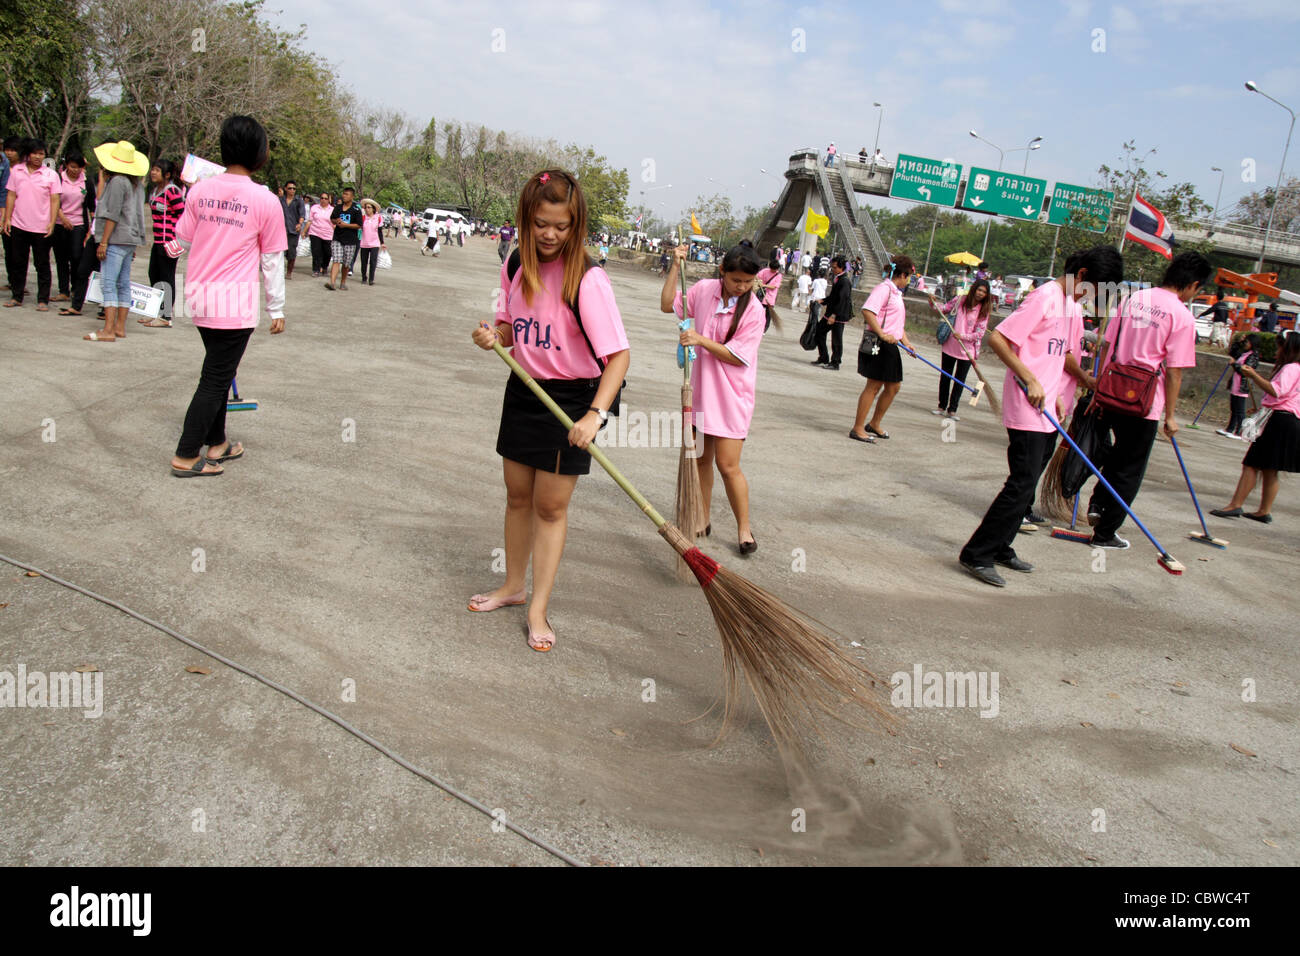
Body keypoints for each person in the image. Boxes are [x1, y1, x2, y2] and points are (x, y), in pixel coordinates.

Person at [468, 169, 630, 652]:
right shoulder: (515, 262)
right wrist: (491, 338)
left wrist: (595, 416)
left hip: (572, 402)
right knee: (517, 496)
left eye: (562, 225)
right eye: (542, 223)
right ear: (526, 219)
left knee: (550, 506)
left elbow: (618, 356)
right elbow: (507, 328)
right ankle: (512, 586)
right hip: (523, 390)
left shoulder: (588, 277)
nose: (551, 235)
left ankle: (538, 606)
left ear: (575, 224)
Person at [957, 245, 1123, 586]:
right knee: (1020, 484)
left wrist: (1074, 386)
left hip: (1050, 409)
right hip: (1026, 404)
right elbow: (999, 339)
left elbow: (1061, 356)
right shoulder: (1044, 297)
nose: (1095, 297)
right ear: (1083, 276)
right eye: (1095, 288)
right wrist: (1031, 379)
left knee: (1028, 484)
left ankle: (1002, 546)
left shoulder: (1071, 308)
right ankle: (977, 553)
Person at [169, 115, 287, 477]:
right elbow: (271, 260)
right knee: (215, 378)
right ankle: (187, 455)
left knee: (219, 371)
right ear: (260, 155)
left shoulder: (200, 190)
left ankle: (217, 442)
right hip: (233, 303)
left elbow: (181, 242)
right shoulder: (265, 200)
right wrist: (276, 307)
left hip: (199, 297)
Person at [1085, 251, 1208, 549]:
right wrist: (1170, 416)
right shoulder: (1182, 316)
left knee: (1113, 456)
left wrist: (1097, 386)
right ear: (1192, 285)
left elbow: (1106, 345)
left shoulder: (1132, 299)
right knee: (1129, 468)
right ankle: (1104, 534)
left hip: (1112, 390)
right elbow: (1175, 373)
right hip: (1143, 401)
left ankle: (1098, 504)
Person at [661, 239, 765, 554]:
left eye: (748, 282)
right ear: (722, 272)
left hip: (733, 397)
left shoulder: (755, 311)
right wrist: (675, 266)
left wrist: (701, 340)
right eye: (736, 281)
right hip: (701, 392)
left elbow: (737, 357)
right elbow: (668, 304)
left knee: (728, 465)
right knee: (702, 460)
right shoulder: (704, 290)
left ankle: (744, 529)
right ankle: (701, 519)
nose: (742, 287)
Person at [1211, 329, 1300, 523]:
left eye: (1280, 346)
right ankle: (1264, 510)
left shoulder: (1291, 368)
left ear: (1288, 348)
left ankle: (1235, 505)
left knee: (1251, 464)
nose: (1277, 350)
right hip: (1287, 420)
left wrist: (1253, 375)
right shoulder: (1297, 368)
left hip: (1280, 420)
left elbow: (1277, 391)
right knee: (1270, 469)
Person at [82, 141, 147, 341]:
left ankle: (109, 330)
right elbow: (135, 214)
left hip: (116, 239)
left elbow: (113, 214)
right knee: (123, 284)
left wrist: (103, 242)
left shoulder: (118, 182)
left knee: (109, 284)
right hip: (128, 239)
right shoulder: (135, 183)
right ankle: (119, 327)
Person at [850, 255, 917, 442]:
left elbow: (897, 324)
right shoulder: (884, 289)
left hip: (892, 345)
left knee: (893, 387)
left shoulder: (896, 293)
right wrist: (881, 333)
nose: (910, 280)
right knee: (873, 386)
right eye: (909, 276)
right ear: (902, 274)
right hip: (881, 344)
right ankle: (858, 428)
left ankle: (874, 423)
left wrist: (907, 343)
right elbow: (868, 311)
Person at [2, 138, 62, 311]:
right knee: (18, 262)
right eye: (35, 153)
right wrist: (7, 218)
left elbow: (55, 200)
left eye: (41, 153)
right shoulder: (16, 171)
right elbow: (11, 195)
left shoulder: (50, 175)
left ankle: (43, 300)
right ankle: (16, 296)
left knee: (42, 263)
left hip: (41, 227)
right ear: (27, 154)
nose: (38, 157)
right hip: (19, 224)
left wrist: (52, 222)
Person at [932, 279, 993, 420]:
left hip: (967, 350)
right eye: (979, 290)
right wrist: (933, 302)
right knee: (945, 377)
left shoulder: (983, 311)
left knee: (960, 380)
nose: (980, 293)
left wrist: (963, 336)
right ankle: (941, 406)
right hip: (950, 346)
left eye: (984, 292)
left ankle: (952, 410)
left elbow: (979, 334)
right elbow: (944, 309)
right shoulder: (960, 300)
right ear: (974, 289)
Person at [140, 158, 185, 328]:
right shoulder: (155, 190)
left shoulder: (171, 191)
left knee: (166, 277)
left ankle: (166, 316)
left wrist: (177, 235)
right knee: (154, 274)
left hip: (169, 242)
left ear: (166, 174)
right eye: (153, 169)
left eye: (157, 170)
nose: (153, 172)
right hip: (157, 240)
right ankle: (154, 312)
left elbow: (183, 214)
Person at [51, 151, 88, 303]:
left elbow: (91, 204)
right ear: (66, 165)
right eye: (72, 166)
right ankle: (63, 290)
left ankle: (76, 288)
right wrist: (62, 217)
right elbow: (53, 200)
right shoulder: (59, 179)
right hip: (60, 222)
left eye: (78, 167)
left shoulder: (86, 181)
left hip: (78, 224)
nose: (75, 170)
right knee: (61, 258)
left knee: (76, 257)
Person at [1219, 334, 1261, 438]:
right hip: (1236, 384)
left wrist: (1234, 364)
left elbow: (1245, 371)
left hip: (1243, 386)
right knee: (1233, 408)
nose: (1245, 344)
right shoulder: (1244, 353)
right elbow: (1233, 351)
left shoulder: (1253, 355)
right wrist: (1239, 341)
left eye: (1247, 342)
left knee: (1240, 410)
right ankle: (1230, 428)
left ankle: (1240, 431)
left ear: (1252, 343)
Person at [816, 255, 853, 370]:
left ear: (842, 268)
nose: (833, 269)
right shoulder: (838, 279)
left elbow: (842, 299)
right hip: (831, 312)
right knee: (819, 331)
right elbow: (833, 297)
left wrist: (834, 315)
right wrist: (823, 301)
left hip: (838, 314)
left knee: (836, 339)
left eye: (835, 267)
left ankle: (835, 362)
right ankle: (823, 357)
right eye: (832, 267)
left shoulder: (845, 281)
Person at [326, 186, 361, 290]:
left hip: (350, 240)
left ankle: (343, 282)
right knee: (336, 260)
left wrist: (346, 225)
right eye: (344, 194)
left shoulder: (356, 209)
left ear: (352, 196)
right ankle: (332, 283)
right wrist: (336, 221)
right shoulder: (338, 207)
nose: (344, 196)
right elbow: (332, 219)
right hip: (337, 238)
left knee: (346, 263)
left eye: (347, 194)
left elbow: (359, 225)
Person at [279, 179, 306, 279]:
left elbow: (302, 214)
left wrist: (300, 223)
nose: (292, 190)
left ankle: (289, 272)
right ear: (286, 189)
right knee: (278, 251)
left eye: (294, 188)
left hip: (293, 230)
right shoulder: (280, 200)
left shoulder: (299, 201)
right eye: (290, 188)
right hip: (280, 229)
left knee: (291, 252)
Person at [357, 198, 385, 286]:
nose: (367, 209)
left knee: (373, 261)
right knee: (364, 261)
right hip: (364, 242)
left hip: (375, 243)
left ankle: (371, 279)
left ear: (373, 209)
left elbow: (380, 231)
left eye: (369, 207)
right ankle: (364, 277)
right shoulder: (363, 218)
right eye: (366, 208)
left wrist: (382, 243)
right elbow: (358, 228)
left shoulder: (378, 218)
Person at [306, 191, 333, 277]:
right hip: (315, 232)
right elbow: (310, 220)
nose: (324, 200)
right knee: (316, 252)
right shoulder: (314, 208)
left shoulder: (332, 210)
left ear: (329, 200)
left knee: (328, 253)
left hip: (328, 234)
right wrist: (304, 231)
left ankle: (324, 267)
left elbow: (335, 223)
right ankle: (316, 270)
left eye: (326, 198)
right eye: (322, 198)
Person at [756, 248, 783, 331]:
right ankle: (756, 326)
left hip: (770, 297)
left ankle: (765, 328)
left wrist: (764, 285)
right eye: (771, 269)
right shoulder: (765, 271)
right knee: (757, 311)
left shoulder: (778, 275)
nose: (772, 271)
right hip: (761, 294)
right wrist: (759, 282)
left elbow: (774, 287)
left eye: (774, 270)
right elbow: (757, 276)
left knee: (768, 314)